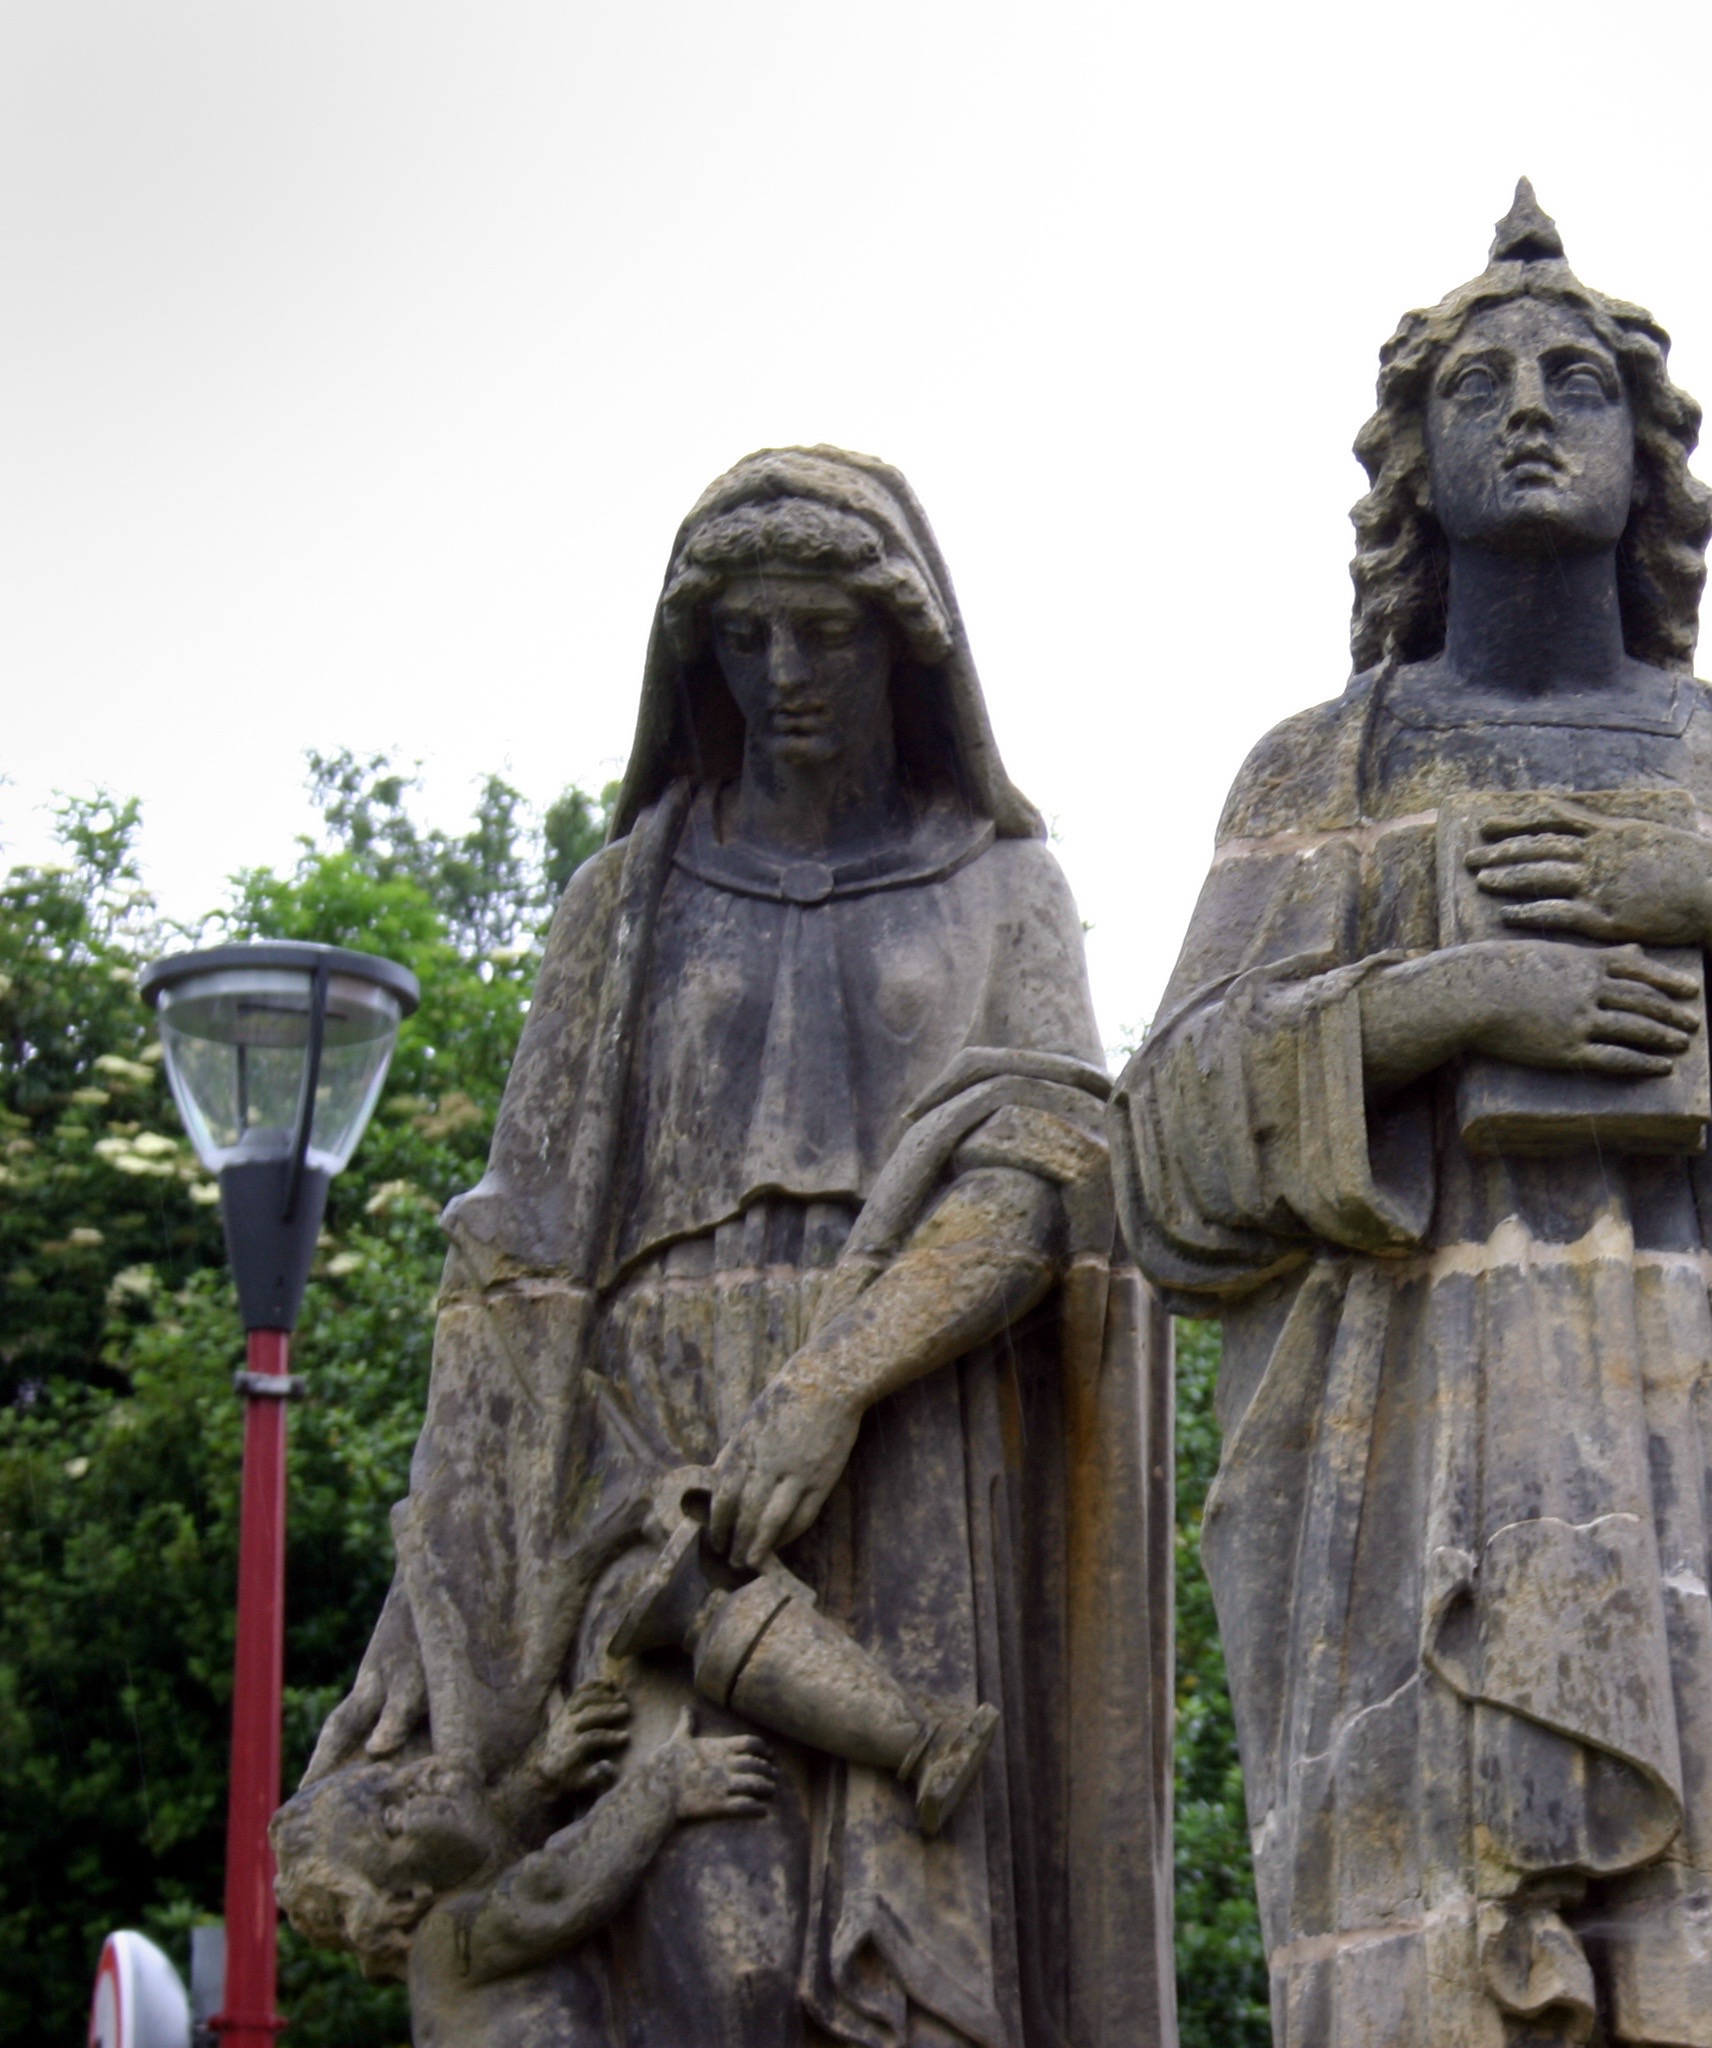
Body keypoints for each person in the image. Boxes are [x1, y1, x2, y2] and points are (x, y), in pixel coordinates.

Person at [1117, 185, 1712, 2048]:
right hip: (1407, 1464)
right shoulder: (1323, 765)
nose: (1534, 410)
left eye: (1580, 381)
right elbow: (1161, 1158)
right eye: (1479, 387)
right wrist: (1453, 1002)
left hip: (1709, 1472)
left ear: (1651, 458)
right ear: (1415, 465)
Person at [298, 447, 1173, 2048]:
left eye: (825, 631)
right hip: (652, 1457)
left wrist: (837, 1381)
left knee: (929, 1928)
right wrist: (437, 1593)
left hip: (917, 1422)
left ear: (905, 644)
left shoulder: (1006, 885)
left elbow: (1054, 1174)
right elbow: (515, 1261)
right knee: (698, 1922)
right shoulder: (620, 899)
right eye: (746, 635)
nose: (785, 673)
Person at [276, 1681, 774, 2047]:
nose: (418, 1780)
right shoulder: (443, 1943)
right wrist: (663, 1785)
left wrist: (541, 1776)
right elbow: (553, 1889)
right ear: (404, 1897)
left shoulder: (460, 1903)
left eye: (393, 1778)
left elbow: (485, 1849)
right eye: (392, 1816)